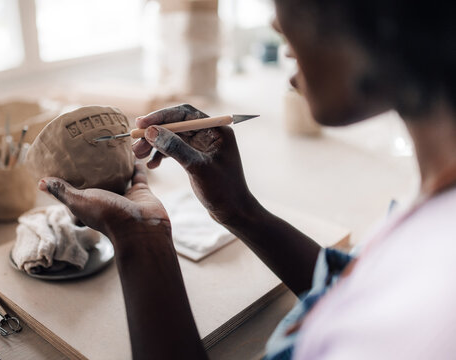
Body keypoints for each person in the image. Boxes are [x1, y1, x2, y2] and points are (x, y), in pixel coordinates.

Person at [38, 0, 456, 359]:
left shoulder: (433, 305)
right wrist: (240, 211)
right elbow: (364, 301)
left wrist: (140, 241)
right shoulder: (436, 206)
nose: (276, 22)